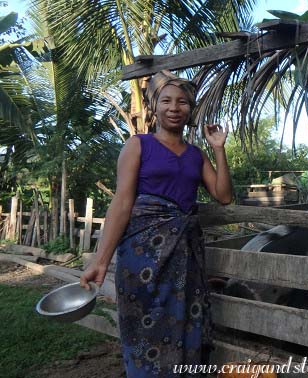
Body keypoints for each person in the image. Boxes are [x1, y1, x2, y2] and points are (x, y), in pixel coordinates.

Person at [79, 70, 233, 377]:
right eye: (166, 101)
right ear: (154, 107)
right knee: (144, 324)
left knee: (184, 321)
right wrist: (101, 260)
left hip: (185, 259)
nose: (174, 108)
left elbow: (224, 196)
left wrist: (218, 148)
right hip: (141, 257)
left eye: (182, 102)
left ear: (190, 109)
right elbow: (122, 203)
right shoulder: (138, 146)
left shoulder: (196, 155)